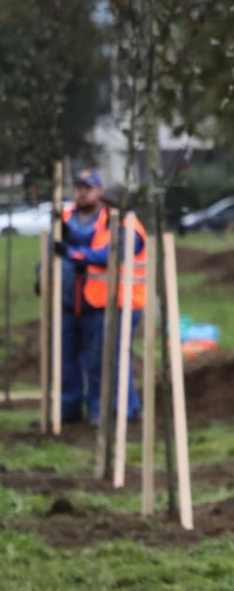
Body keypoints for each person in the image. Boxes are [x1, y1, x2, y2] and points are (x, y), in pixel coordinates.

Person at [55, 170, 145, 425]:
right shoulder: (110, 224)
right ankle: (124, 408)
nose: (103, 208)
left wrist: (73, 255)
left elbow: (108, 254)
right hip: (106, 301)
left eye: (107, 204)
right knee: (110, 357)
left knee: (115, 358)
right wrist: (67, 235)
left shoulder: (130, 229)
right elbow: (87, 239)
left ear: (118, 206)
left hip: (126, 302)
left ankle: (125, 409)